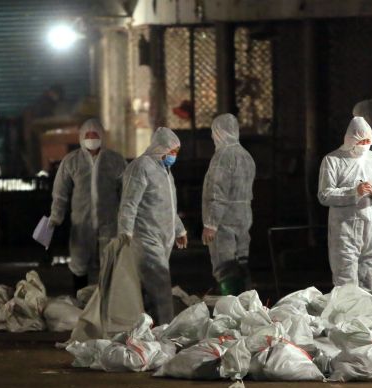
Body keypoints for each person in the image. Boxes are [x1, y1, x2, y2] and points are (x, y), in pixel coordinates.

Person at [118, 127, 187, 325]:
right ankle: (165, 330)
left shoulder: (165, 172)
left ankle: (148, 329)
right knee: (161, 285)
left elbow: (168, 205)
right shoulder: (142, 167)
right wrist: (125, 230)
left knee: (149, 288)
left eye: (176, 152)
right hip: (145, 237)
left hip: (162, 237)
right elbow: (129, 202)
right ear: (160, 147)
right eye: (171, 151)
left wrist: (179, 229)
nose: (174, 156)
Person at [49, 118, 127, 294]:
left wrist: (128, 220)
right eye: (88, 135)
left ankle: (107, 301)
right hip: (81, 223)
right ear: (81, 137)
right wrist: (56, 216)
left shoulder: (115, 161)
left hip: (109, 222)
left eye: (95, 135)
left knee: (110, 261)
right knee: (79, 262)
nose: (91, 139)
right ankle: (81, 300)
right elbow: (60, 192)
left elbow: (127, 192)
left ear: (102, 137)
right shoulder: (71, 161)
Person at [317, 116, 372, 291]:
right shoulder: (333, 160)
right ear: (352, 139)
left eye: (368, 140)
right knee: (345, 276)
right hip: (345, 228)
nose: (366, 144)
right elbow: (324, 195)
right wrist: (354, 192)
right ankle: (346, 315)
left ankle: (364, 315)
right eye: (362, 140)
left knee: (370, 268)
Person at [202, 113, 256, 295]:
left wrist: (211, 224)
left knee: (224, 265)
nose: (212, 136)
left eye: (213, 132)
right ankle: (246, 301)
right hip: (244, 216)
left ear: (220, 132)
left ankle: (232, 304)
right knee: (242, 260)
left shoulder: (222, 157)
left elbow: (218, 193)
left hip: (225, 220)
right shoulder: (246, 155)